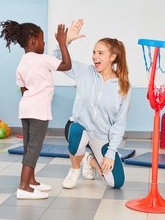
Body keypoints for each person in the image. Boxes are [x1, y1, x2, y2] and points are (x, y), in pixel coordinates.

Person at [0, 20, 71, 199]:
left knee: (28, 146)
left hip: (26, 108)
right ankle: (23, 187)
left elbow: (23, 89)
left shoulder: (22, 62)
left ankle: (31, 181)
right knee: (34, 147)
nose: (44, 43)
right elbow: (66, 65)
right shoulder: (42, 59)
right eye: (42, 39)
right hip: (39, 111)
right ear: (33, 41)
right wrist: (62, 43)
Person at [55, 19, 131, 189]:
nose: (95, 56)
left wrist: (111, 153)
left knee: (116, 183)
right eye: (94, 52)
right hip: (78, 127)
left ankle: (89, 160)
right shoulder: (84, 72)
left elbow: (119, 124)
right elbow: (55, 61)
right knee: (78, 137)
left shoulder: (123, 87)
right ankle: (75, 169)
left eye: (100, 53)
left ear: (112, 57)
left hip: (101, 137)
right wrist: (66, 41)